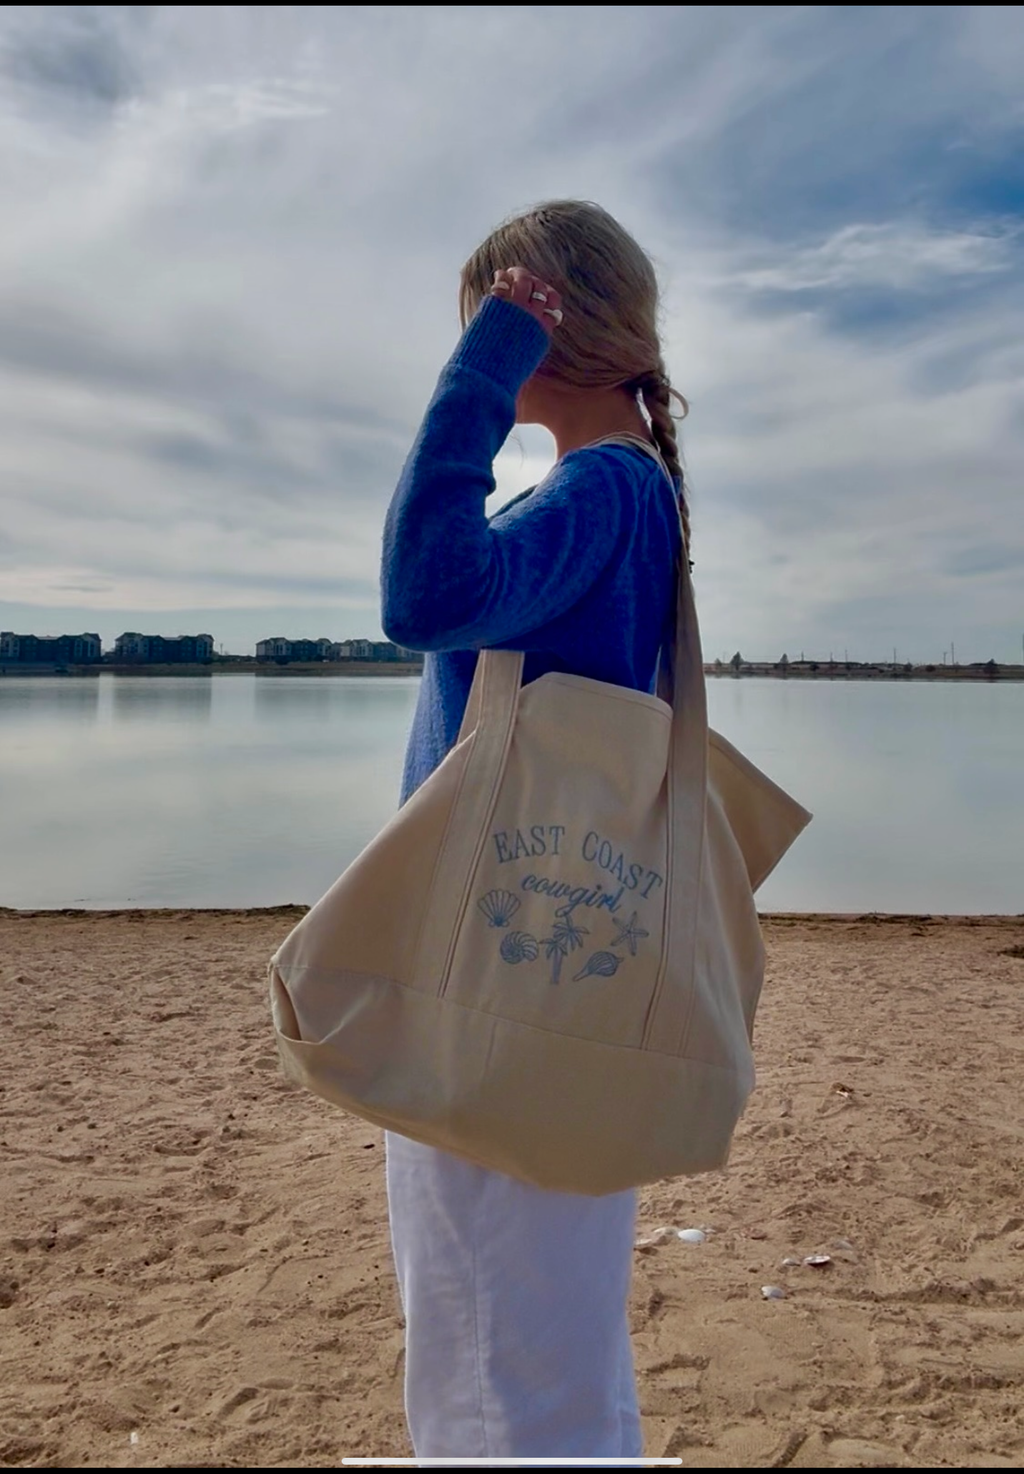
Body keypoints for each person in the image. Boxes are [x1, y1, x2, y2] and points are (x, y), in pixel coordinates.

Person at [379, 200, 688, 1461]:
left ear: (546, 319)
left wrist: (481, 366)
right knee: (529, 1330)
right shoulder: (629, 492)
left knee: (494, 1333)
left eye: (495, 326)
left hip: (502, 967)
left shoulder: (606, 491)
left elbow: (424, 592)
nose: (481, 354)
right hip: (551, 959)